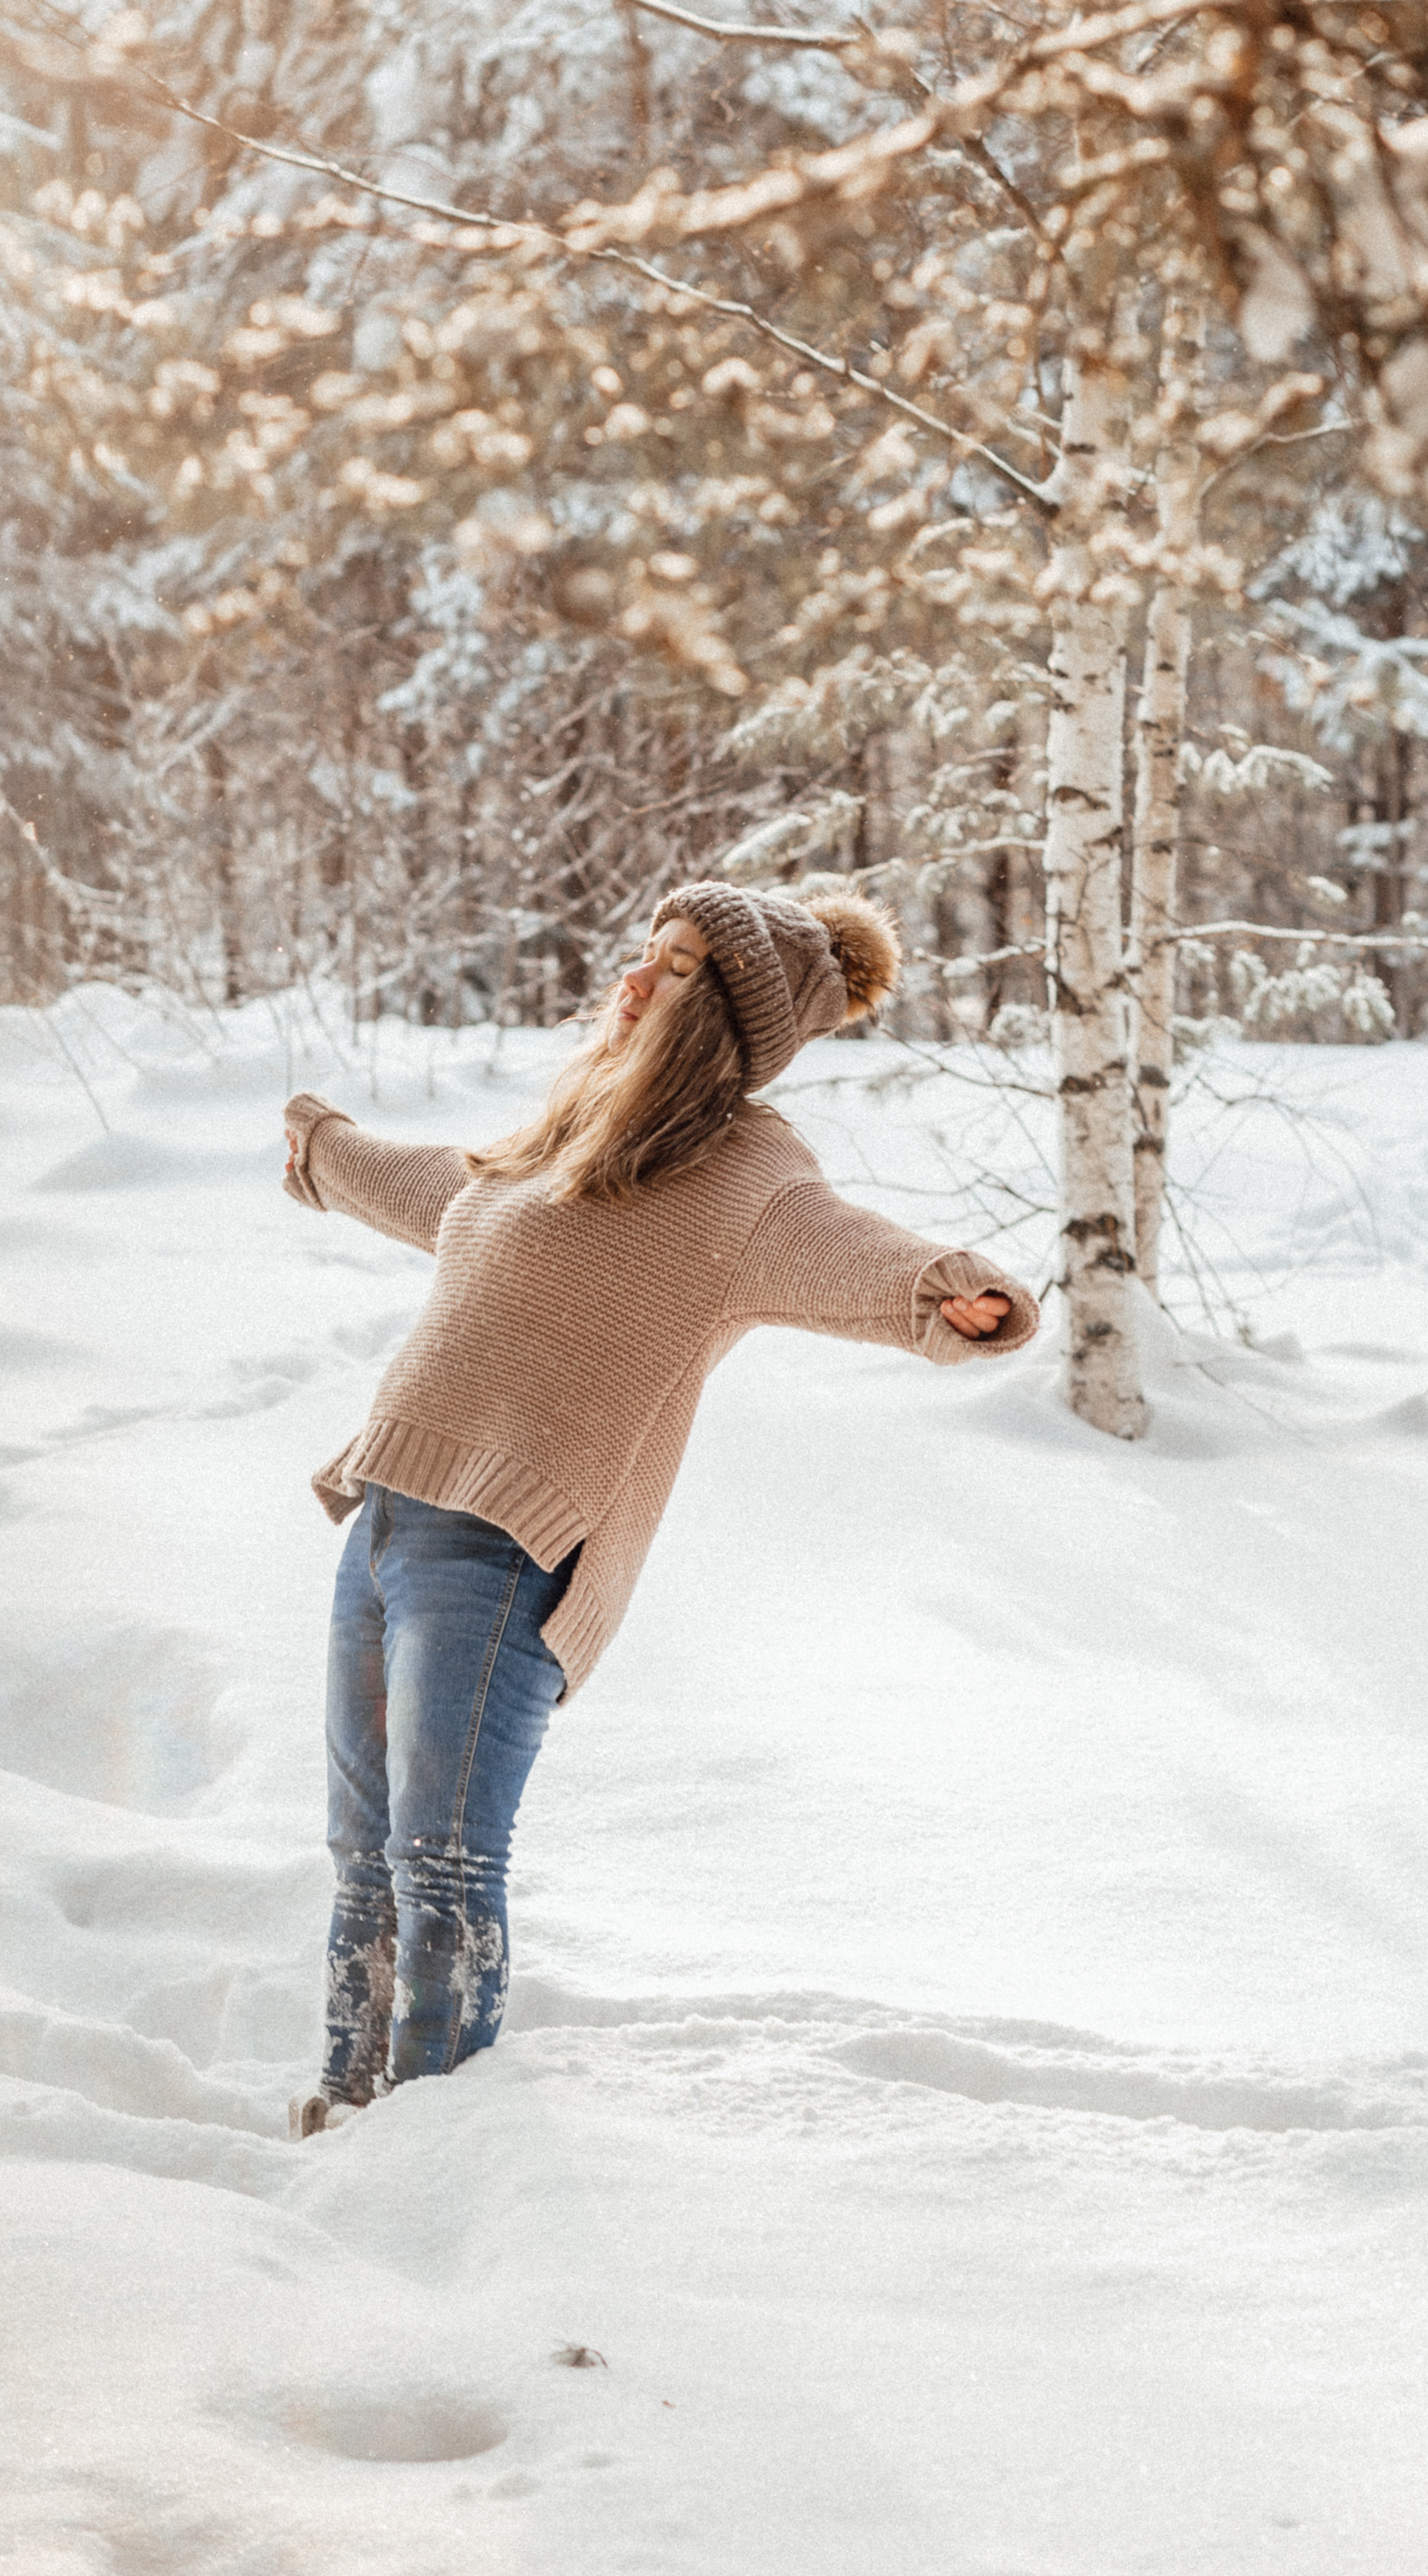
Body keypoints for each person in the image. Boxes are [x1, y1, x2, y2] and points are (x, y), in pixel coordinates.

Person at [280, 879, 1039, 2134]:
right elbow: (439, 1185)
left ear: (722, 1016)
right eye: (645, 951)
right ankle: (349, 2111)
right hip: (387, 1521)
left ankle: (428, 2155)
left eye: (674, 966)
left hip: (504, 1559)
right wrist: (322, 1149)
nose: (634, 978)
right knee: (365, 1859)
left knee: (445, 1865)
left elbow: (849, 1253)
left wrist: (945, 1291)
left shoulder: (748, 1180)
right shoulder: (571, 1138)